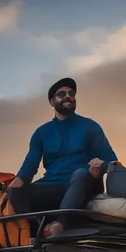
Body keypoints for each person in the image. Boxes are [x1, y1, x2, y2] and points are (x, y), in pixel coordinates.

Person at [9, 77, 117, 236]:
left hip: (85, 183)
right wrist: (12, 190)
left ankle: (60, 223)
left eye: (71, 93)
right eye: (62, 94)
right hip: (54, 185)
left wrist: (101, 164)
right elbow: (27, 170)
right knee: (15, 191)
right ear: (52, 102)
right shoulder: (41, 133)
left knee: (80, 173)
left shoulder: (90, 126)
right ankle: (35, 228)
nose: (68, 96)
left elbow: (112, 161)